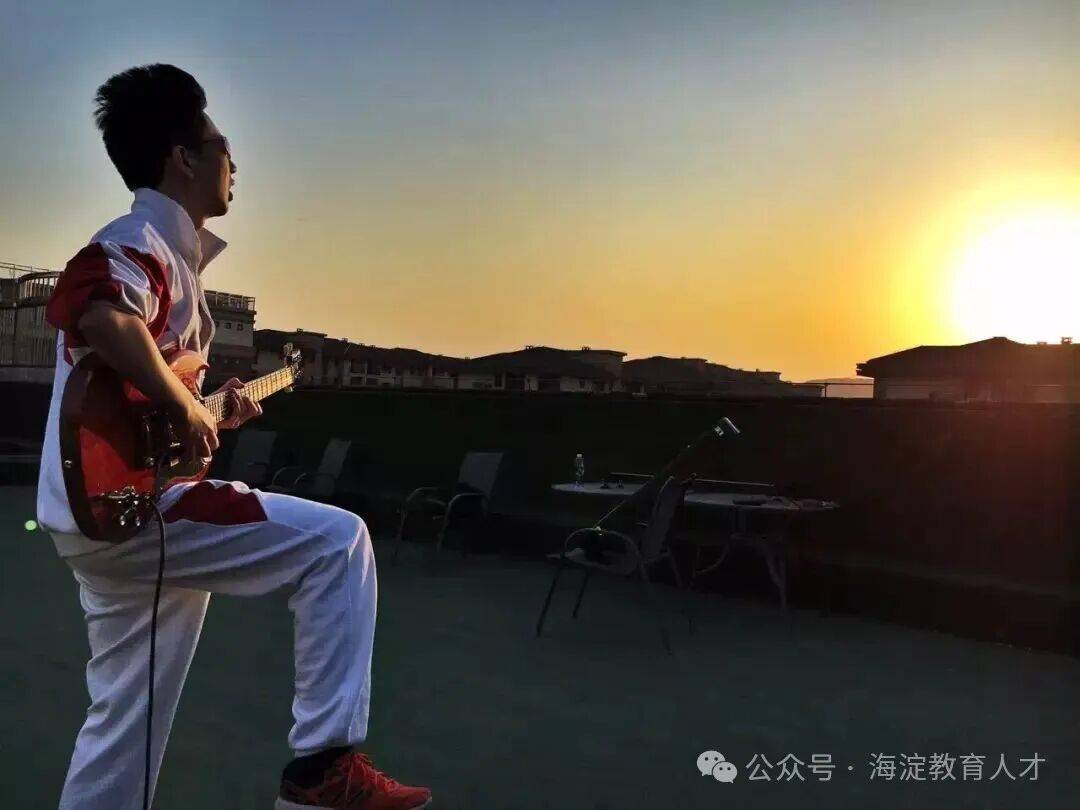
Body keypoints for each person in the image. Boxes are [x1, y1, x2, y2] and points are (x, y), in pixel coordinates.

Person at [37, 64, 432, 810]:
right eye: (222, 146)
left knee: (125, 722)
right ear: (183, 159)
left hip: (98, 517)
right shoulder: (137, 240)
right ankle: (321, 772)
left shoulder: (173, 259)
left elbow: (145, 384)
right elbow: (101, 313)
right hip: (141, 511)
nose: (233, 162)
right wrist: (183, 409)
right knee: (339, 543)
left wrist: (206, 409)